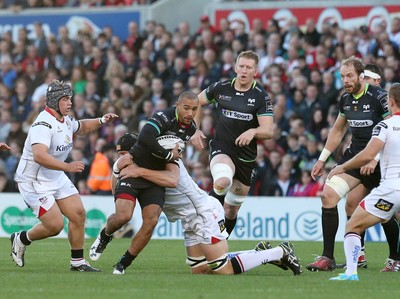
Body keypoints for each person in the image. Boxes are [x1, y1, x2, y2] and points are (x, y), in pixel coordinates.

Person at [102, 132, 302, 276]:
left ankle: (281, 252)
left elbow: (171, 180)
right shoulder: (140, 164)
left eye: (127, 154)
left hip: (203, 212)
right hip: (188, 219)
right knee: (199, 269)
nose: (126, 158)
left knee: (223, 270)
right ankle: (258, 254)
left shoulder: (164, 162)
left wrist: (138, 172)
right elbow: (117, 179)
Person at [11, 80, 118, 272]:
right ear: (54, 101)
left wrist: (101, 120)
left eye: (70, 99)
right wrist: (67, 166)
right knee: (55, 226)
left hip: (55, 175)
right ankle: (21, 239)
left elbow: (81, 128)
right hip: (33, 181)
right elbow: (39, 155)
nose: (70, 103)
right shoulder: (42, 124)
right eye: (66, 99)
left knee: (78, 214)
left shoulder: (65, 118)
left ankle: (77, 262)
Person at [90, 91, 198, 274]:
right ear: (177, 105)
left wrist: (172, 156)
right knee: (123, 216)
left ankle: (123, 264)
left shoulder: (191, 128)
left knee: (151, 221)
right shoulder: (163, 117)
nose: (190, 113)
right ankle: (105, 235)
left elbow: (174, 152)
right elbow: (145, 138)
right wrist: (168, 154)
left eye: (194, 109)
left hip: (154, 177)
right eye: (186, 108)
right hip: (134, 169)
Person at [306, 57, 390, 272]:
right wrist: (322, 159)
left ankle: (395, 259)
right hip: (356, 158)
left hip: (384, 160)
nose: (345, 80)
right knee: (330, 197)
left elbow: (393, 128)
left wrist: (375, 157)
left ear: (361, 75)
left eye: (349, 75)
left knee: (391, 212)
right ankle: (330, 257)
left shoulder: (379, 97)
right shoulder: (345, 99)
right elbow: (337, 130)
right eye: (342, 76)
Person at [191, 50, 274, 235]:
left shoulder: (261, 96)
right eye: (241, 66)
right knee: (222, 182)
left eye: (249, 67)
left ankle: (220, 242)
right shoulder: (221, 88)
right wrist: (195, 129)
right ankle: (207, 232)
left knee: (231, 210)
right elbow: (195, 101)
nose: (244, 71)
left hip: (245, 158)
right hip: (222, 149)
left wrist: (253, 131)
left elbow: (268, 131)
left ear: (256, 71)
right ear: (236, 67)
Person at [329, 83, 400, 280]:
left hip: (392, 189)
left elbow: (367, 155)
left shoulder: (384, 126)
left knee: (353, 226)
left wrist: (342, 167)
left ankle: (351, 272)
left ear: (390, 102)